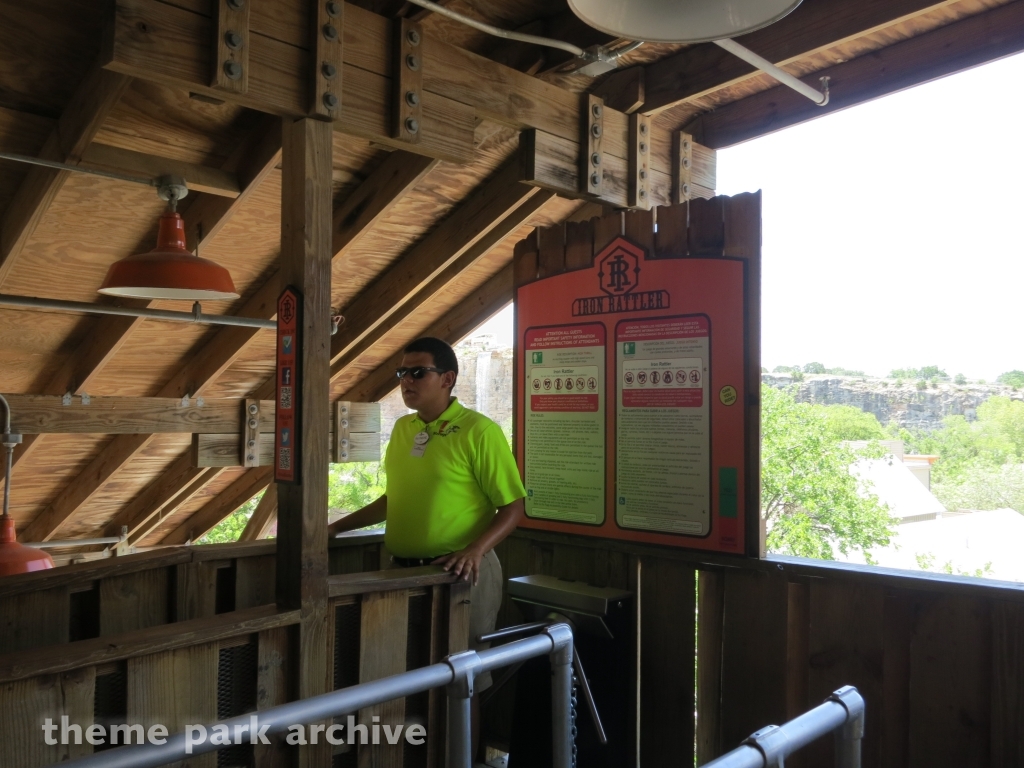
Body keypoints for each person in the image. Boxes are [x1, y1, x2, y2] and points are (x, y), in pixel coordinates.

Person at [328, 337, 525, 756]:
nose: (407, 381)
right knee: (405, 677)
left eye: (418, 372)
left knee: (462, 681)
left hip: (460, 575)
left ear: (447, 378)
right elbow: (392, 499)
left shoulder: (479, 431)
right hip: (401, 573)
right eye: (402, 373)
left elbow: (512, 508)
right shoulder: (404, 429)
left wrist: (475, 550)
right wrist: (335, 529)